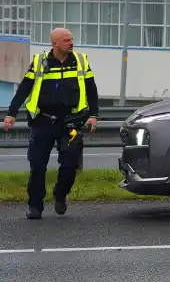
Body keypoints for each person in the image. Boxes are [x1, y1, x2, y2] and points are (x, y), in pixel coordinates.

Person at [3, 28, 99, 219]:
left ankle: (60, 194)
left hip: (71, 124)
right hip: (43, 122)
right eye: (66, 40)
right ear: (55, 44)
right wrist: (11, 114)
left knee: (71, 162)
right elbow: (24, 88)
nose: (71, 43)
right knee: (37, 164)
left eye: (72, 39)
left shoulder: (80, 61)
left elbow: (91, 88)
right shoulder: (40, 62)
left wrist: (93, 115)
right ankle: (35, 205)